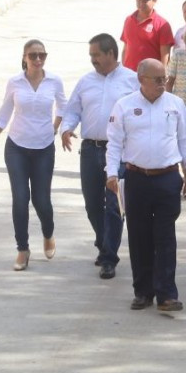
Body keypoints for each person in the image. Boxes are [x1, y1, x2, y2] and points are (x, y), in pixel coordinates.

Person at [105, 58, 186, 312]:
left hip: (167, 178)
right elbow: (114, 143)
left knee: (165, 236)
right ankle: (143, 292)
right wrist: (111, 173)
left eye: (165, 78)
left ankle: (167, 294)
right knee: (138, 236)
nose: (163, 83)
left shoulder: (175, 104)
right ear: (141, 80)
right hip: (136, 178)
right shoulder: (124, 106)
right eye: (157, 79)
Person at [58, 33, 139, 280]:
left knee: (114, 206)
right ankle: (104, 243)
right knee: (92, 204)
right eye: (91, 55)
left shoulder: (132, 80)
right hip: (90, 150)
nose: (92, 60)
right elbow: (72, 111)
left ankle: (108, 258)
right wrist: (67, 128)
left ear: (111, 54)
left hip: (119, 152)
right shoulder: (85, 82)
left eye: (96, 55)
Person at [0, 38, 66, 271]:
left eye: (42, 55)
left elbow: (63, 106)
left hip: (43, 148)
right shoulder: (15, 83)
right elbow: (4, 113)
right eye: (33, 55)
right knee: (20, 198)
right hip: (17, 147)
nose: (38, 59)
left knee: (41, 200)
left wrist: (56, 127)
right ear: (24, 58)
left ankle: (48, 232)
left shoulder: (54, 81)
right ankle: (22, 249)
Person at [120, 0, 174, 71]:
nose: (141, 3)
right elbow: (126, 47)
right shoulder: (129, 20)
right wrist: (123, 69)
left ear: (155, 1)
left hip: (150, 77)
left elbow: (165, 55)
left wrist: (161, 76)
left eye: (145, 0)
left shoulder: (162, 25)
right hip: (129, 74)